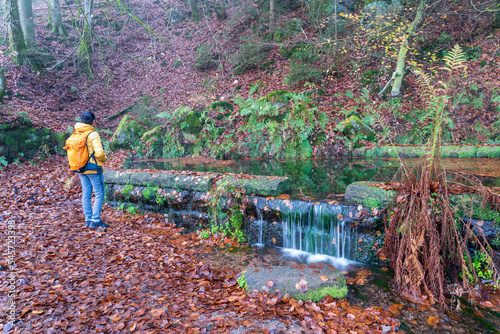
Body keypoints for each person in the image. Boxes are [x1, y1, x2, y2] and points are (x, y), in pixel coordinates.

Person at [75, 111, 108, 229]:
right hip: (93, 168)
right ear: (93, 121)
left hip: (80, 168)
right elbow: (99, 153)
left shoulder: (77, 132)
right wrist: (104, 159)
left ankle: (88, 220)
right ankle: (96, 220)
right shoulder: (93, 134)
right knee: (99, 193)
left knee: (86, 194)